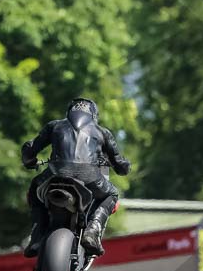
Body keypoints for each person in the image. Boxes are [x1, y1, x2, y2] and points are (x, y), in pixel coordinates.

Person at [21, 98, 131, 258]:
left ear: (69, 112)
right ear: (93, 115)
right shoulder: (102, 132)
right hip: (90, 176)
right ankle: (92, 230)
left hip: (55, 173)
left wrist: (30, 161)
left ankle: (37, 235)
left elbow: (29, 150)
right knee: (112, 194)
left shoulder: (54, 125)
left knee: (34, 189)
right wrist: (125, 165)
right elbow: (121, 166)